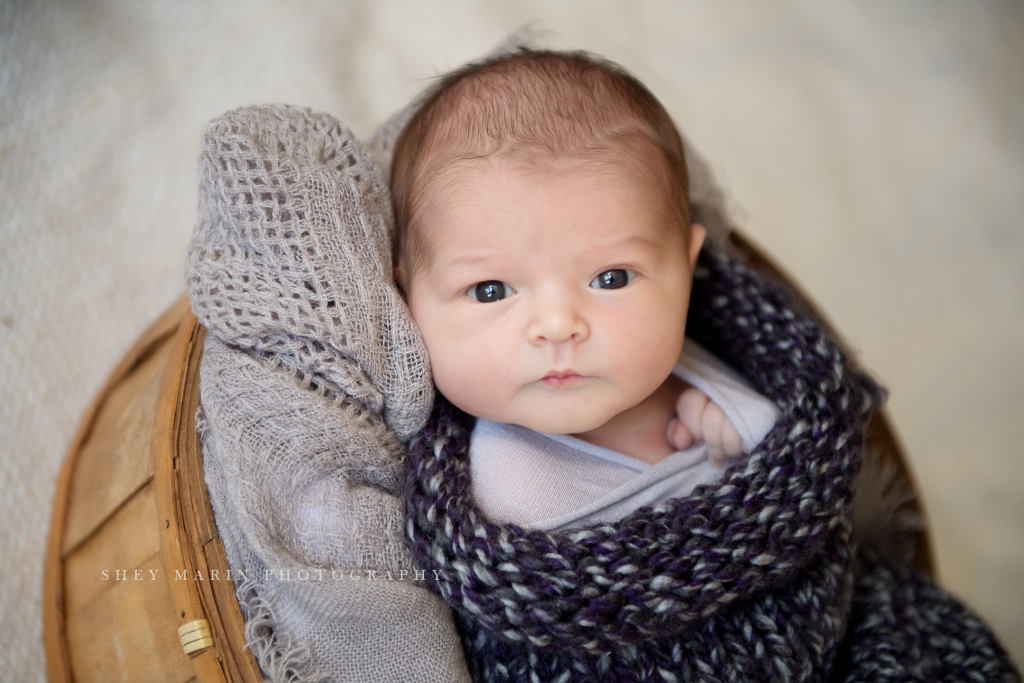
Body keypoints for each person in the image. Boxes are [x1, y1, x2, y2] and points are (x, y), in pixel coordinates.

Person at [389, 49, 778, 530]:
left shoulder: (701, 370)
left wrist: (736, 421)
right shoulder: (497, 510)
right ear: (408, 298)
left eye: (610, 279)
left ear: (686, 267)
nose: (557, 326)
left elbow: (787, 449)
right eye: (490, 291)